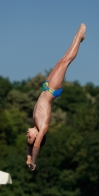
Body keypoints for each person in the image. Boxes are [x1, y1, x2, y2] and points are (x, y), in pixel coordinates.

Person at [26, 23, 86, 171]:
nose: (27, 135)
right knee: (66, 61)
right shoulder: (42, 128)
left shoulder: (35, 124)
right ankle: (79, 38)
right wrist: (33, 161)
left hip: (46, 87)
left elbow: (29, 147)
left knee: (62, 59)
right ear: (37, 138)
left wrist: (27, 158)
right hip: (52, 90)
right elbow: (35, 146)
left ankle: (78, 39)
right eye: (30, 138)